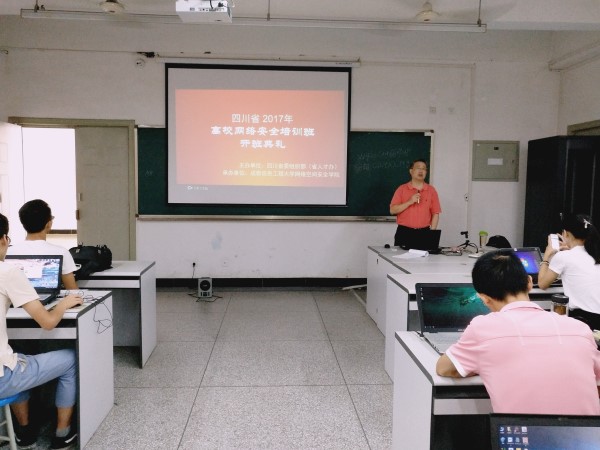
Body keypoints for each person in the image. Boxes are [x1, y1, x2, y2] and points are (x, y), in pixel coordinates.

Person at [436, 249, 600, 414]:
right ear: (529, 282)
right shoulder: (580, 329)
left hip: (521, 430)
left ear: (484, 298)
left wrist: (483, 365)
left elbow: (444, 368)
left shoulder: (482, 328)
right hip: (588, 430)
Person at [0, 213, 83, 449]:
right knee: (72, 359)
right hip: (2, 378)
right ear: (4, 239)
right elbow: (47, 322)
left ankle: (25, 431)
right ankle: (62, 433)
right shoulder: (7, 272)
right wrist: (64, 304)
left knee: (18, 353)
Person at [538, 213, 600, 331]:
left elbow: (542, 284)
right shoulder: (595, 254)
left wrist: (546, 255)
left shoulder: (564, 257)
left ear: (565, 233)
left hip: (583, 321)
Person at [8, 199, 78, 290]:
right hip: (50, 299)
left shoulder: (8, 252)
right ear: (48, 224)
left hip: (15, 299)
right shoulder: (61, 252)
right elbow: (72, 290)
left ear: (23, 223)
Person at [389, 159, 441, 247]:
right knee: (401, 256)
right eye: (418, 168)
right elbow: (392, 210)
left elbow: (435, 213)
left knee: (424, 256)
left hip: (424, 232)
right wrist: (409, 202)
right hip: (404, 233)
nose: (421, 171)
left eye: (424, 169)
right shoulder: (401, 189)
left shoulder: (431, 190)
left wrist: (432, 233)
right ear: (411, 171)